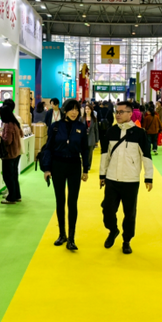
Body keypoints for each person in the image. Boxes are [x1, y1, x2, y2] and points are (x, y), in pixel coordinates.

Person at [100, 101, 154, 254]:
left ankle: (126, 240)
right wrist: (102, 175)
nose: (118, 115)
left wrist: (148, 177)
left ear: (130, 114)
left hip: (131, 180)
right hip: (112, 179)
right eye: (116, 112)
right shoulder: (111, 131)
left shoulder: (139, 133)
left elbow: (146, 156)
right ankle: (113, 230)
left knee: (129, 213)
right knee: (107, 210)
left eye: (121, 112)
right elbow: (105, 155)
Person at [42, 99, 90, 250]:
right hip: (58, 166)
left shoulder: (81, 127)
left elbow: (85, 150)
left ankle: (71, 238)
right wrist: (47, 169)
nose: (74, 112)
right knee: (60, 201)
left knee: (72, 202)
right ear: (65, 110)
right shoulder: (55, 127)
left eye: (76, 109)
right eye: (71, 109)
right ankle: (62, 234)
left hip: (75, 166)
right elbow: (48, 148)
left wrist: (86, 169)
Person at [0, 104, 23, 204]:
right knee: (13, 176)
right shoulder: (15, 122)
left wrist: (0, 138)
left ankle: (11, 197)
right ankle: (16, 195)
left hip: (9, 154)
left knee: (8, 176)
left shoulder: (8, 124)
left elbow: (7, 140)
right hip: (16, 152)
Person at [81, 103, 100, 170]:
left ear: (91, 110)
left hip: (91, 138)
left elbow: (96, 129)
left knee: (90, 153)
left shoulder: (94, 119)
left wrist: (97, 140)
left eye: (88, 109)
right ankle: (84, 164)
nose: (87, 110)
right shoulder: (82, 119)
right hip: (83, 138)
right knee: (83, 152)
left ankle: (88, 165)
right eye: (86, 109)